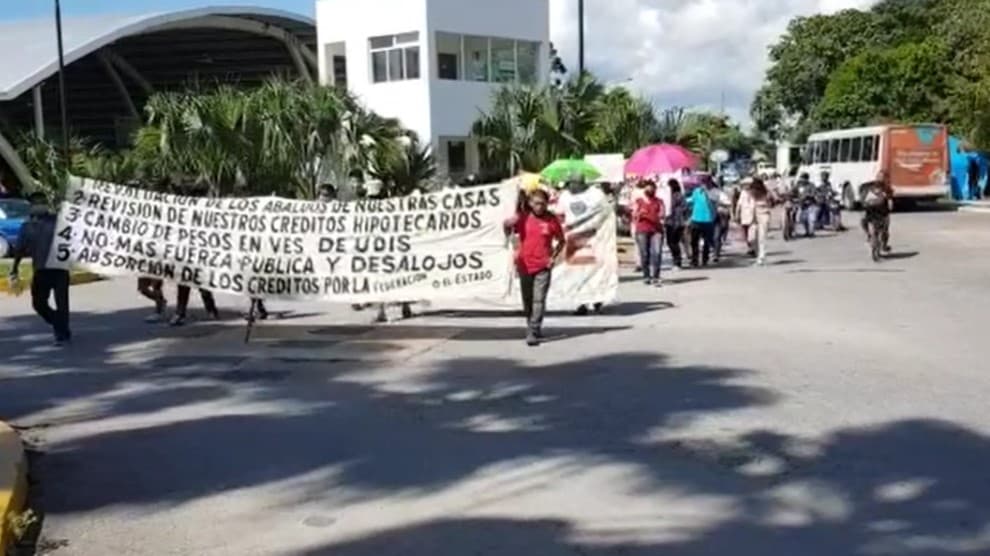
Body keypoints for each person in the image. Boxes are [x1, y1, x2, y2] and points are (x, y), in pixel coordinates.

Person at [7, 192, 72, 345]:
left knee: (61, 303)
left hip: (59, 268)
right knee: (38, 303)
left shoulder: (58, 222)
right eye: (36, 203)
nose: (38, 205)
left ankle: (62, 333)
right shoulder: (27, 226)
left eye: (40, 202)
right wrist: (14, 268)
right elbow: (19, 249)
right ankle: (59, 323)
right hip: (41, 270)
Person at [505, 188, 565, 346]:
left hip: (543, 266)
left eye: (543, 204)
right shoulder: (523, 218)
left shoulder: (551, 220)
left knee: (539, 299)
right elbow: (507, 228)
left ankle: (533, 329)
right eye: (537, 203)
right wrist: (507, 224)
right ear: (531, 204)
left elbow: (561, 240)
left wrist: (553, 258)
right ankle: (532, 324)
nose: (540, 207)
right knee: (528, 300)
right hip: (524, 264)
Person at [555, 174, 609, 314]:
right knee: (577, 271)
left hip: (594, 238)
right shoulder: (565, 196)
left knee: (595, 269)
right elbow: (560, 215)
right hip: (574, 239)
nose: (570, 187)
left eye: (572, 183)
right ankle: (581, 303)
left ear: (580, 183)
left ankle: (597, 298)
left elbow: (605, 213)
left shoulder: (596, 194)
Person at [632, 179, 665, 285]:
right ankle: (646, 276)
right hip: (642, 230)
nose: (650, 189)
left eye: (652, 187)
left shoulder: (659, 201)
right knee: (644, 253)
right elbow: (633, 215)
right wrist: (639, 213)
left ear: (655, 189)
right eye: (647, 187)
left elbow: (663, 214)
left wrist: (659, 216)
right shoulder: (639, 201)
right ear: (644, 190)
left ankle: (656, 276)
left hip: (657, 230)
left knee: (657, 253)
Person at [860, 170, 894, 252]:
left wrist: (890, 204)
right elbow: (863, 191)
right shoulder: (870, 185)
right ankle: (868, 234)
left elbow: (890, 199)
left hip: (883, 211)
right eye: (879, 176)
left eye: (882, 177)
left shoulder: (887, 188)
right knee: (863, 220)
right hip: (871, 210)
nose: (880, 178)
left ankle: (884, 245)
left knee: (885, 230)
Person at [688, 178, 716, 267]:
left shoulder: (713, 192)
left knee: (707, 241)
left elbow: (713, 202)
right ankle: (694, 260)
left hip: (708, 220)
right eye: (702, 182)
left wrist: (707, 194)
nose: (704, 184)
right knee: (694, 241)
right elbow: (691, 200)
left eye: (706, 182)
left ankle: (705, 259)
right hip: (696, 219)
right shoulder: (696, 191)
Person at [749, 178, 773, 265]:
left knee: (761, 238)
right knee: (753, 238)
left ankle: (761, 256)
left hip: (763, 215)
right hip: (755, 217)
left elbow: (771, 202)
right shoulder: (751, 195)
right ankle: (759, 254)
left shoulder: (766, 194)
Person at [665, 179, 687, 270]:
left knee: (673, 242)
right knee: (671, 242)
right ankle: (676, 261)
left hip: (676, 221)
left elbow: (684, 207)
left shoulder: (676, 196)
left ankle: (677, 261)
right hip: (671, 221)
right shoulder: (670, 196)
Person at [735, 179, 758, 257]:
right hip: (744, 216)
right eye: (745, 185)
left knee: (752, 235)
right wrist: (737, 214)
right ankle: (750, 248)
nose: (747, 186)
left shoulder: (756, 193)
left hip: (754, 216)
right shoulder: (743, 193)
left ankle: (754, 248)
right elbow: (739, 204)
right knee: (745, 234)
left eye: (748, 185)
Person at [791, 172, 818, 238]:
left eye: (804, 178)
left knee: (811, 219)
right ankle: (807, 232)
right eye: (802, 178)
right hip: (802, 205)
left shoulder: (811, 185)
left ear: (807, 179)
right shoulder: (798, 185)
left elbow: (813, 193)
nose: (802, 180)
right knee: (804, 219)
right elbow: (793, 192)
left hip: (811, 204)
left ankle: (811, 232)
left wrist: (807, 196)